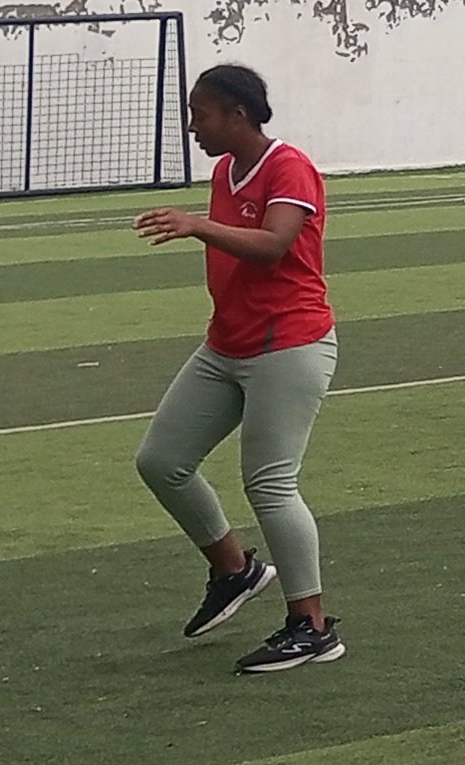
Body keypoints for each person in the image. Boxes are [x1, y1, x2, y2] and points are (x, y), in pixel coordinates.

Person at [131, 63, 346, 673]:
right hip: (227, 344)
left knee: (270, 483)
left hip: (289, 345)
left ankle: (312, 626)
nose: (192, 126)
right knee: (162, 461)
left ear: (238, 114)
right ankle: (235, 569)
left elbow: (275, 244)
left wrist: (197, 225)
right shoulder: (226, 169)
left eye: (200, 114)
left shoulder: (288, 166)